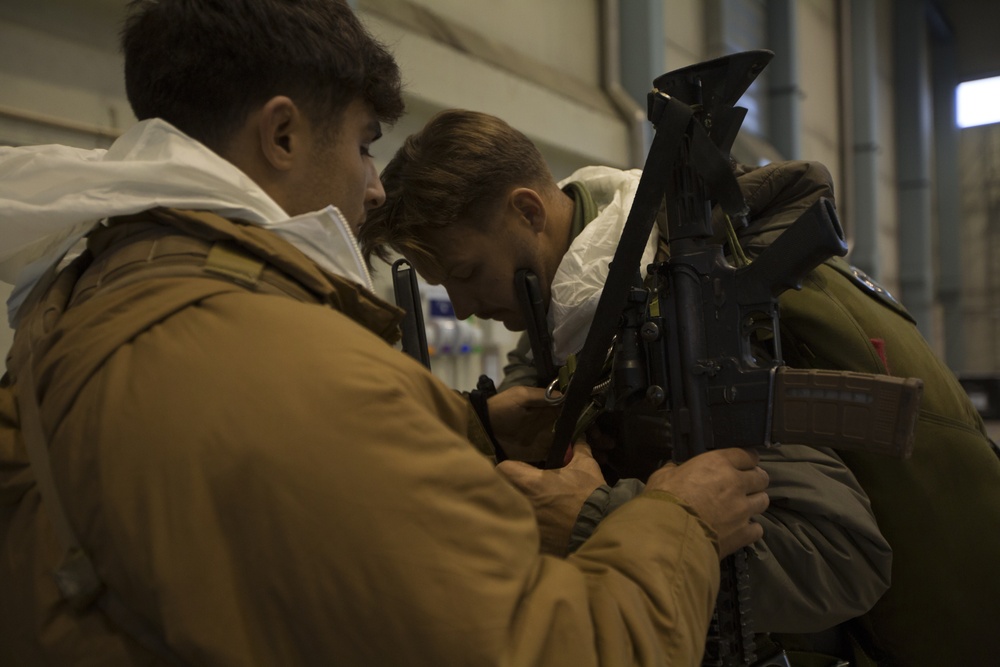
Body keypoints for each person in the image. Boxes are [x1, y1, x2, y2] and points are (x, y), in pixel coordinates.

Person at [0, 2, 778, 665]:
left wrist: (469, 424)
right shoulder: (297, 370)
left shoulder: (98, 286)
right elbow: (553, 646)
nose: (373, 185)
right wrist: (679, 522)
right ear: (282, 135)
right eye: (365, 143)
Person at [360, 108, 1000, 665]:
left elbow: (842, 558)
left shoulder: (680, 309)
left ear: (529, 211)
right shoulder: (571, 320)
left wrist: (598, 519)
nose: (465, 307)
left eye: (468, 273)